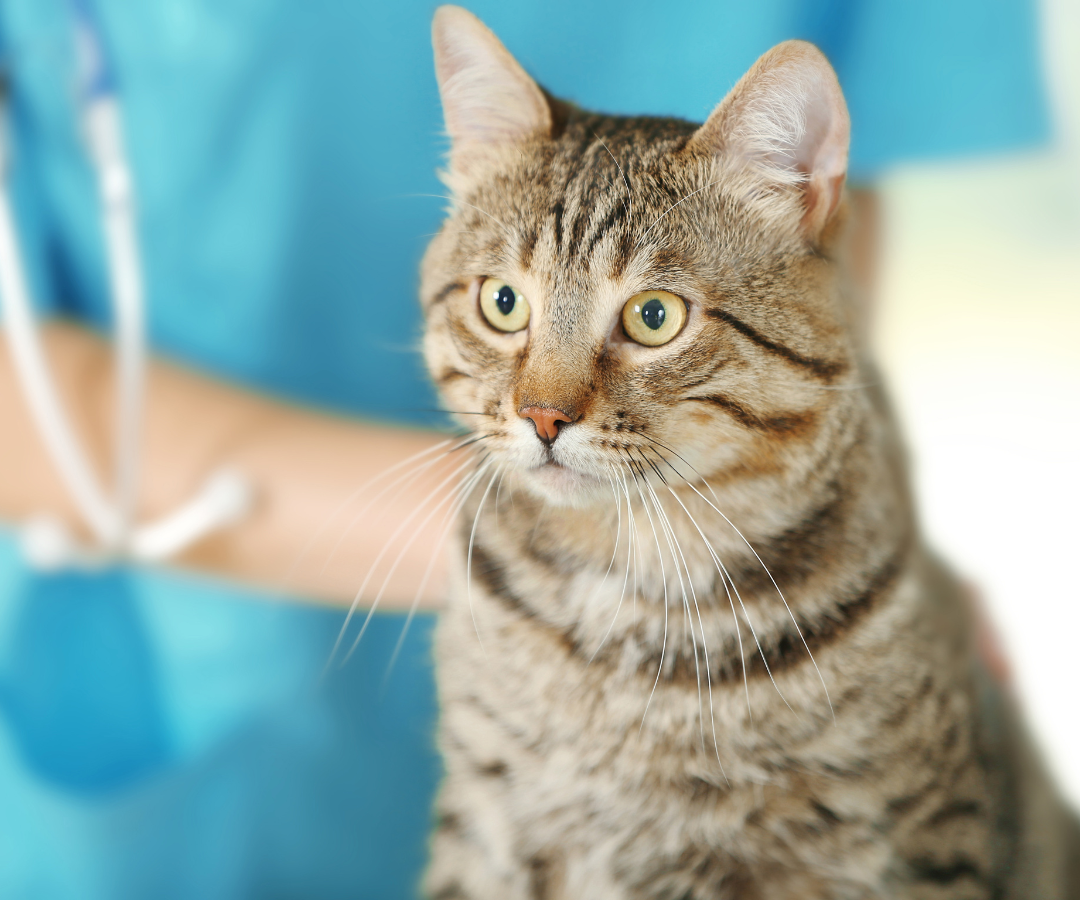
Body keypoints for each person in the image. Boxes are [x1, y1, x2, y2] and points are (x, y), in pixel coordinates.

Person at [0, 0, 1050, 897]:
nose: (549, 401)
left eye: (648, 322)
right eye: (504, 303)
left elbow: (830, 262)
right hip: (167, 715)